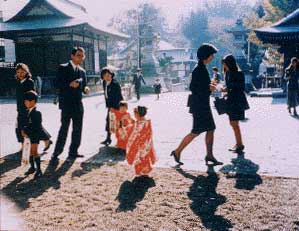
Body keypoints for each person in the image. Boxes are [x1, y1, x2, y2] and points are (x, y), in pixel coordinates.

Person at [170, 43, 223, 166]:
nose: (212, 58)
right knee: (196, 131)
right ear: (207, 56)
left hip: (201, 104)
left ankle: (209, 155)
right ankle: (177, 151)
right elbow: (194, 88)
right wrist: (209, 88)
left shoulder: (201, 68)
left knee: (209, 129)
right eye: (211, 55)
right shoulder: (199, 69)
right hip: (200, 105)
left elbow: (199, 86)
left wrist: (209, 87)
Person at [52, 47, 90, 160]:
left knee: (78, 129)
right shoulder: (63, 68)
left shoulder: (82, 71)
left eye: (82, 56)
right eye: (78, 55)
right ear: (72, 56)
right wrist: (69, 84)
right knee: (64, 128)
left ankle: (73, 151)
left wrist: (86, 89)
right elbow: (56, 84)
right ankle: (57, 152)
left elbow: (84, 86)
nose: (81, 58)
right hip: (66, 104)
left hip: (78, 104)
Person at [15, 63, 52, 152]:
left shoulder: (29, 82)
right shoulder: (18, 82)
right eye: (18, 72)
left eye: (22, 72)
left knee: (29, 126)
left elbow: (32, 96)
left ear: (26, 72)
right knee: (22, 126)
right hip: (20, 108)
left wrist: (30, 107)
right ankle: (44, 140)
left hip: (28, 108)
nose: (20, 74)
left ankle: (45, 140)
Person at [221, 54, 249, 153]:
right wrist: (226, 90)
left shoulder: (238, 73)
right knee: (234, 123)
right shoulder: (228, 73)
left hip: (236, 101)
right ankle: (239, 143)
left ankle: (239, 144)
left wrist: (227, 89)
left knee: (234, 123)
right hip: (233, 100)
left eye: (225, 64)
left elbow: (240, 87)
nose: (224, 66)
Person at [126, 106, 156, 175]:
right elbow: (149, 133)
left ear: (137, 114)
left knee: (140, 158)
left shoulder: (140, 123)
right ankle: (145, 172)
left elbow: (136, 133)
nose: (134, 116)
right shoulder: (146, 122)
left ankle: (142, 172)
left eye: (135, 114)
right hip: (146, 143)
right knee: (144, 158)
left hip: (141, 144)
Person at [22, 91, 45, 179]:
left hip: (35, 135)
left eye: (26, 101)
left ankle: (39, 170)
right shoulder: (26, 111)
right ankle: (32, 167)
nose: (25, 102)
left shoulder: (37, 113)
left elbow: (36, 125)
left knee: (35, 151)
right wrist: (23, 130)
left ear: (33, 102)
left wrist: (27, 130)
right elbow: (25, 123)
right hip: (28, 136)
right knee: (30, 152)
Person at [101, 67, 124, 146]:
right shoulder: (104, 83)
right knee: (108, 120)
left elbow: (117, 96)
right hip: (110, 106)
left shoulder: (115, 84)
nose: (107, 77)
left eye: (109, 75)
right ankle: (108, 138)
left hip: (117, 105)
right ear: (103, 77)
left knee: (119, 123)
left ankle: (122, 140)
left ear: (111, 75)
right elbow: (106, 95)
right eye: (105, 75)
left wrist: (115, 107)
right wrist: (108, 106)